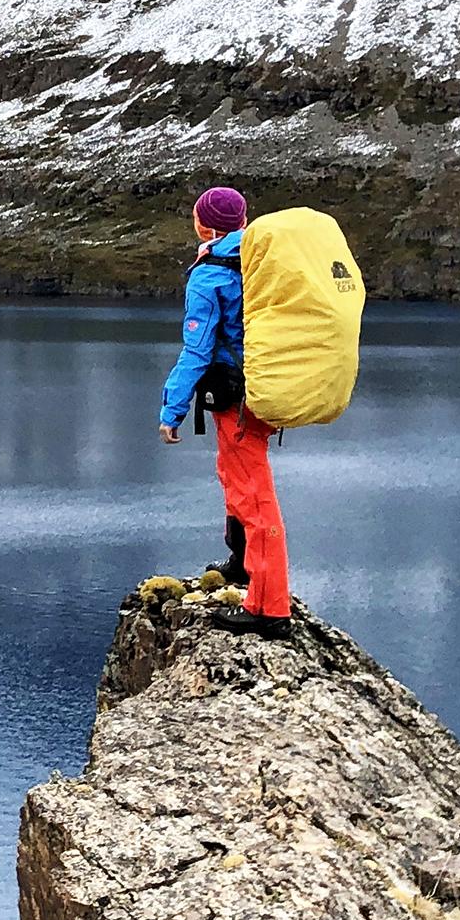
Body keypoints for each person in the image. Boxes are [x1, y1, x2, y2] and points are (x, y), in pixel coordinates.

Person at [157, 186, 291, 638]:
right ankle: (242, 562)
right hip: (266, 386)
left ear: (204, 225)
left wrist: (172, 409)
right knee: (233, 474)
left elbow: (196, 350)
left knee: (254, 494)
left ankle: (270, 608)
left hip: (238, 397)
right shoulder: (260, 259)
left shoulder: (210, 274)